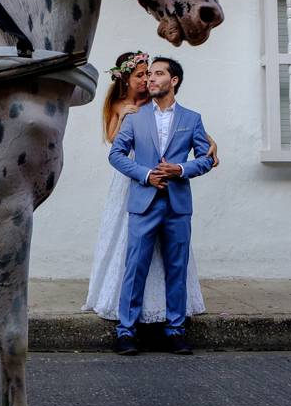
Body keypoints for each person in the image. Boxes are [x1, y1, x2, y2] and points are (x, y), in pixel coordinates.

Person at [82, 52, 212, 328]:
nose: (150, 78)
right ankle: (126, 329)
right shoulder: (134, 117)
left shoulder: (192, 118)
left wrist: (180, 169)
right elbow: (116, 154)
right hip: (142, 200)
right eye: (148, 74)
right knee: (135, 267)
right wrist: (147, 174)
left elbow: (206, 157)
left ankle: (175, 329)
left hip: (178, 205)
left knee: (176, 268)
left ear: (173, 80)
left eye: (157, 73)